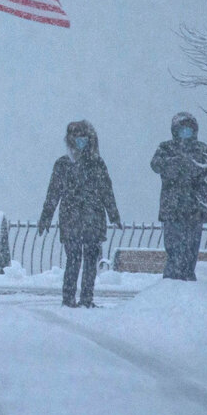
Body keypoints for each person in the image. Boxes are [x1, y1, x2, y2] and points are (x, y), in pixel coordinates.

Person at [38, 120, 122, 307]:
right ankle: (69, 298)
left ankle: (86, 298)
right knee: (74, 260)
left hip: (89, 219)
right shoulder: (63, 164)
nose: (81, 141)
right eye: (77, 138)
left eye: (84, 138)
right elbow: (53, 193)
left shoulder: (97, 164)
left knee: (89, 261)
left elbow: (106, 191)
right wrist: (45, 217)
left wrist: (114, 214)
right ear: (71, 140)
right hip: (73, 220)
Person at [150, 112, 207, 281]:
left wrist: (198, 192)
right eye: (182, 129)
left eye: (189, 129)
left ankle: (188, 283)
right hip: (172, 209)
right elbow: (156, 165)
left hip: (195, 209)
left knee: (191, 251)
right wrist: (177, 163)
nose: (185, 132)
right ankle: (171, 284)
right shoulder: (166, 148)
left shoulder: (202, 149)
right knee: (173, 250)